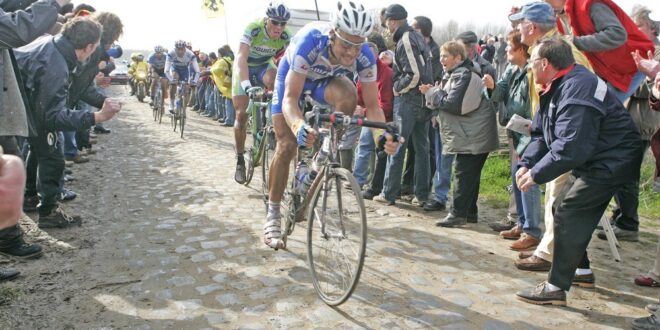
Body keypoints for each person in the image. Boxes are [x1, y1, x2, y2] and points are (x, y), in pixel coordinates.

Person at [515, 38, 643, 306]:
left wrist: (537, 174)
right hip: (595, 156)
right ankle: (581, 271)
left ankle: (555, 287)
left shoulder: (578, 87)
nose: (529, 66)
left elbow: (571, 146)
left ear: (545, 63)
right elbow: (541, 133)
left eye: (532, 62)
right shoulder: (556, 84)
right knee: (559, 206)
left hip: (613, 158)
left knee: (569, 210)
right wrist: (528, 163)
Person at [264, 0, 400, 249]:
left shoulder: (365, 55)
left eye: (357, 46)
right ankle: (273, 212)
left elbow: (373, 106)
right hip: (291, 81)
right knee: (286, 144)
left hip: (322, 82)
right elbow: (290, 100)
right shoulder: (310, 41)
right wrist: (298, 126)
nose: (351, 53)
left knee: (348, 92)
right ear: (332, 34)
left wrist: (382, 136)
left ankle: (321, 155)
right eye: (346, 44)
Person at [15, 17, 122, 228]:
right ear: (91, 46)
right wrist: (96, 117)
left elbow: (78, 89)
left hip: (23, 104)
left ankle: (29, 197)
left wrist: (103, 101)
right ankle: (48, 212)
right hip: (18, 109)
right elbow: (52, 117)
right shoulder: (56, 65)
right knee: (53, 155)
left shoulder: (55, 46)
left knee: (41, 149)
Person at [420, 40, 498, 227]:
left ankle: (457, 214)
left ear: (458, 57)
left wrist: (432, 92)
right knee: (470, 174)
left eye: (446, 56)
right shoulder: (455, 74)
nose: (442, 60)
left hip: (473, 134)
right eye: (441, 56)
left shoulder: (464, 75)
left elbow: (454, 105)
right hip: (470, 133)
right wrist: (435, 93)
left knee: (463, 173)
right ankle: (469, 212)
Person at [483, 30, 542, 251]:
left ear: (520, 49)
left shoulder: (531, 71)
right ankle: (521, 223)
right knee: (517, 176)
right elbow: (499, 95)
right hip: (514, 130)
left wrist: (533, 125)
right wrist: (491, 87)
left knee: (528, 179)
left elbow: (536, 102)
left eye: (509, 47)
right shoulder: (510, 69)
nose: (506, 50)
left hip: (530, 132)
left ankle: (532, 231)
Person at [374, 3, 432, 207]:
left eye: (387, 22)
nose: (386, 27)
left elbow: (414, 73)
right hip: (422, 100)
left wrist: (397, 88)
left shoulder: (406, 38)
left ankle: (389, 193)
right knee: (422, 149)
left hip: (408, 99)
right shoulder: (417, 37)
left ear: (394, 21)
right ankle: (422, 194)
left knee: (396, 145)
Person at [547, 0, 655, 102]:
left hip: (633, 66)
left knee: (602, 110)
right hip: (608, 73)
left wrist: (576, 41)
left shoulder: (589, 4)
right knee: (595, 107)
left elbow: (617, 34)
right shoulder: (560, 18)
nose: (544, 2)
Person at [232, 1, 291, 184]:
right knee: (241, 115)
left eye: (283, 23)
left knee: (276, 81)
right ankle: (240, 159)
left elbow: (291, 62)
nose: (278, 27)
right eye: (275, 22)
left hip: (264, 66)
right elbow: (241, 57)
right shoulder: (254, 29)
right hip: (245, 68)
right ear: (267, 20)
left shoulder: (285, 35)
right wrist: (246, 84)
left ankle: (268, 118)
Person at [165, 40, 200, 115]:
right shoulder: (171, 53)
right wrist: (171, 80)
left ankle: (184, 109)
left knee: (186, 89)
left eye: (182, 49)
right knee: (174, 80)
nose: (180, 51)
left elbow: (197, 71)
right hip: (175, 69)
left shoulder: (190, 54)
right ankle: (171, 104)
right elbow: (166, 71)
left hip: (185, 71)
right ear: (175, 49)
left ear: (185, 48)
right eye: (178, 49)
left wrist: (195, 81)